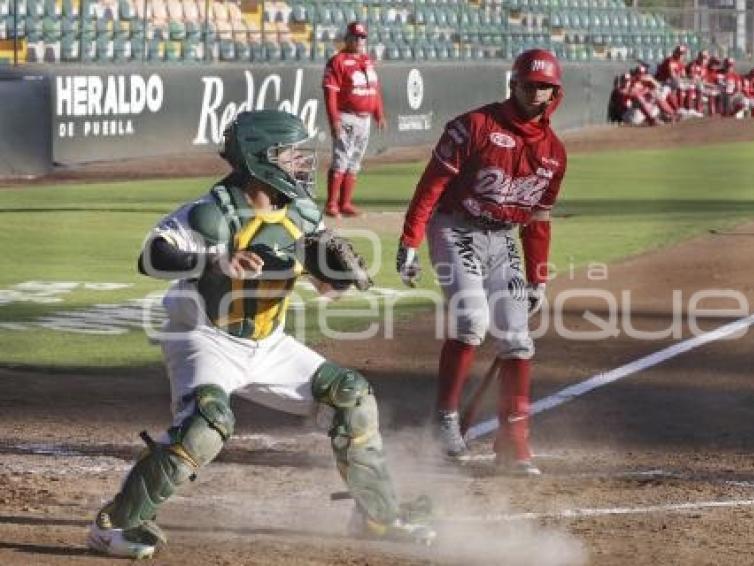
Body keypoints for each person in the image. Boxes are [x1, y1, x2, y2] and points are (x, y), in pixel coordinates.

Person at [86, 110, 435, 559]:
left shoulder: (303, 213)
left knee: (352, 397)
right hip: (203, 335)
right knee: (206, 425)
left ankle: (377, 517)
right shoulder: (213, 213)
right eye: (290, 154)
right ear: (260, 159)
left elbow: (322, 278)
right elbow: (152, 256)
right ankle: (116, 524)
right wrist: (212, 262)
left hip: (266, 341)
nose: (301, 163)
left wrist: (334, 280)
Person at [395, 49, 567, 476]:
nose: (536, 93)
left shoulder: (554, 153)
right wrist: (410, 240)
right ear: (514, 84)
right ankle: (445, 420)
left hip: (502, 237)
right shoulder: (473, 126)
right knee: (472, 319)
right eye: (529, 84)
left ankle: (514, 440)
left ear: (554, 93)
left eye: (544, 86)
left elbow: (538, 221)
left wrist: (538, 277)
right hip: (455, 227)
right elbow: (431, 186)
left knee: (517, 339)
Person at [322, 21, 386, 218]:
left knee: (355, 161)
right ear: (347, 38)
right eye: (356, 36)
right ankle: (332, 204)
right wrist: (334, 120)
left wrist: (379, 114)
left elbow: (374, 91)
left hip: (365, 120)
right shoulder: (337, 61)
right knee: (341, 159)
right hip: (346, 116)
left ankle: (345, 203)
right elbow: (330, 93)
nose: (359, 40)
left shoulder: (367, 60)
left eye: (362, 37)